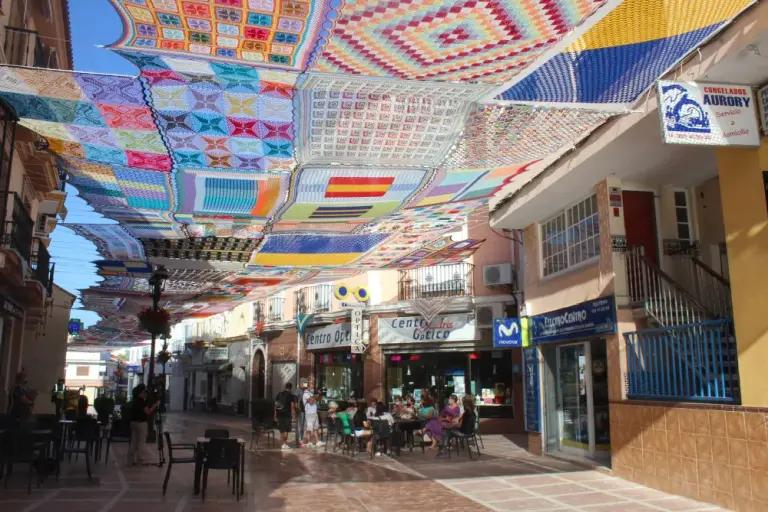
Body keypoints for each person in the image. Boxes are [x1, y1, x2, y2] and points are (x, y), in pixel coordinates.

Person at [128, 384, 159, 466]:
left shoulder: (134, 400)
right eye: (144, 392)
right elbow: (148, 412)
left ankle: (130, 460)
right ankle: (140, 459)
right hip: (141, 423)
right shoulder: (141, 401)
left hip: (133, 423)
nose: (145, 394)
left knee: (134, 441)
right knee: (141, 442)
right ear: (141, 392)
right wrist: (155, 405)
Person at [274, 382, 296, 451]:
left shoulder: (279, 394)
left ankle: (282, 445)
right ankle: (285, 444)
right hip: (287, 415)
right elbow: (292, 406)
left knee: (281, 430)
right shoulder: (291, 395)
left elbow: (276, 405)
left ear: (285, 387)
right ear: (291, 388)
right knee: (286, 430)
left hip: (280, 414)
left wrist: (275, 415)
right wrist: (293, 415)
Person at [296, 379, 309, 447]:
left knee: (303, 425)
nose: (306, 384)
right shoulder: (298, 390)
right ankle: (299, 440)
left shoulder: (305, 390)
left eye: (306, 383)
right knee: (300, 426)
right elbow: (295, 399)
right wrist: (296, 408)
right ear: (301, 383)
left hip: (305, 410)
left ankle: (301, 439)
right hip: (300, 410)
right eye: (305, 383)